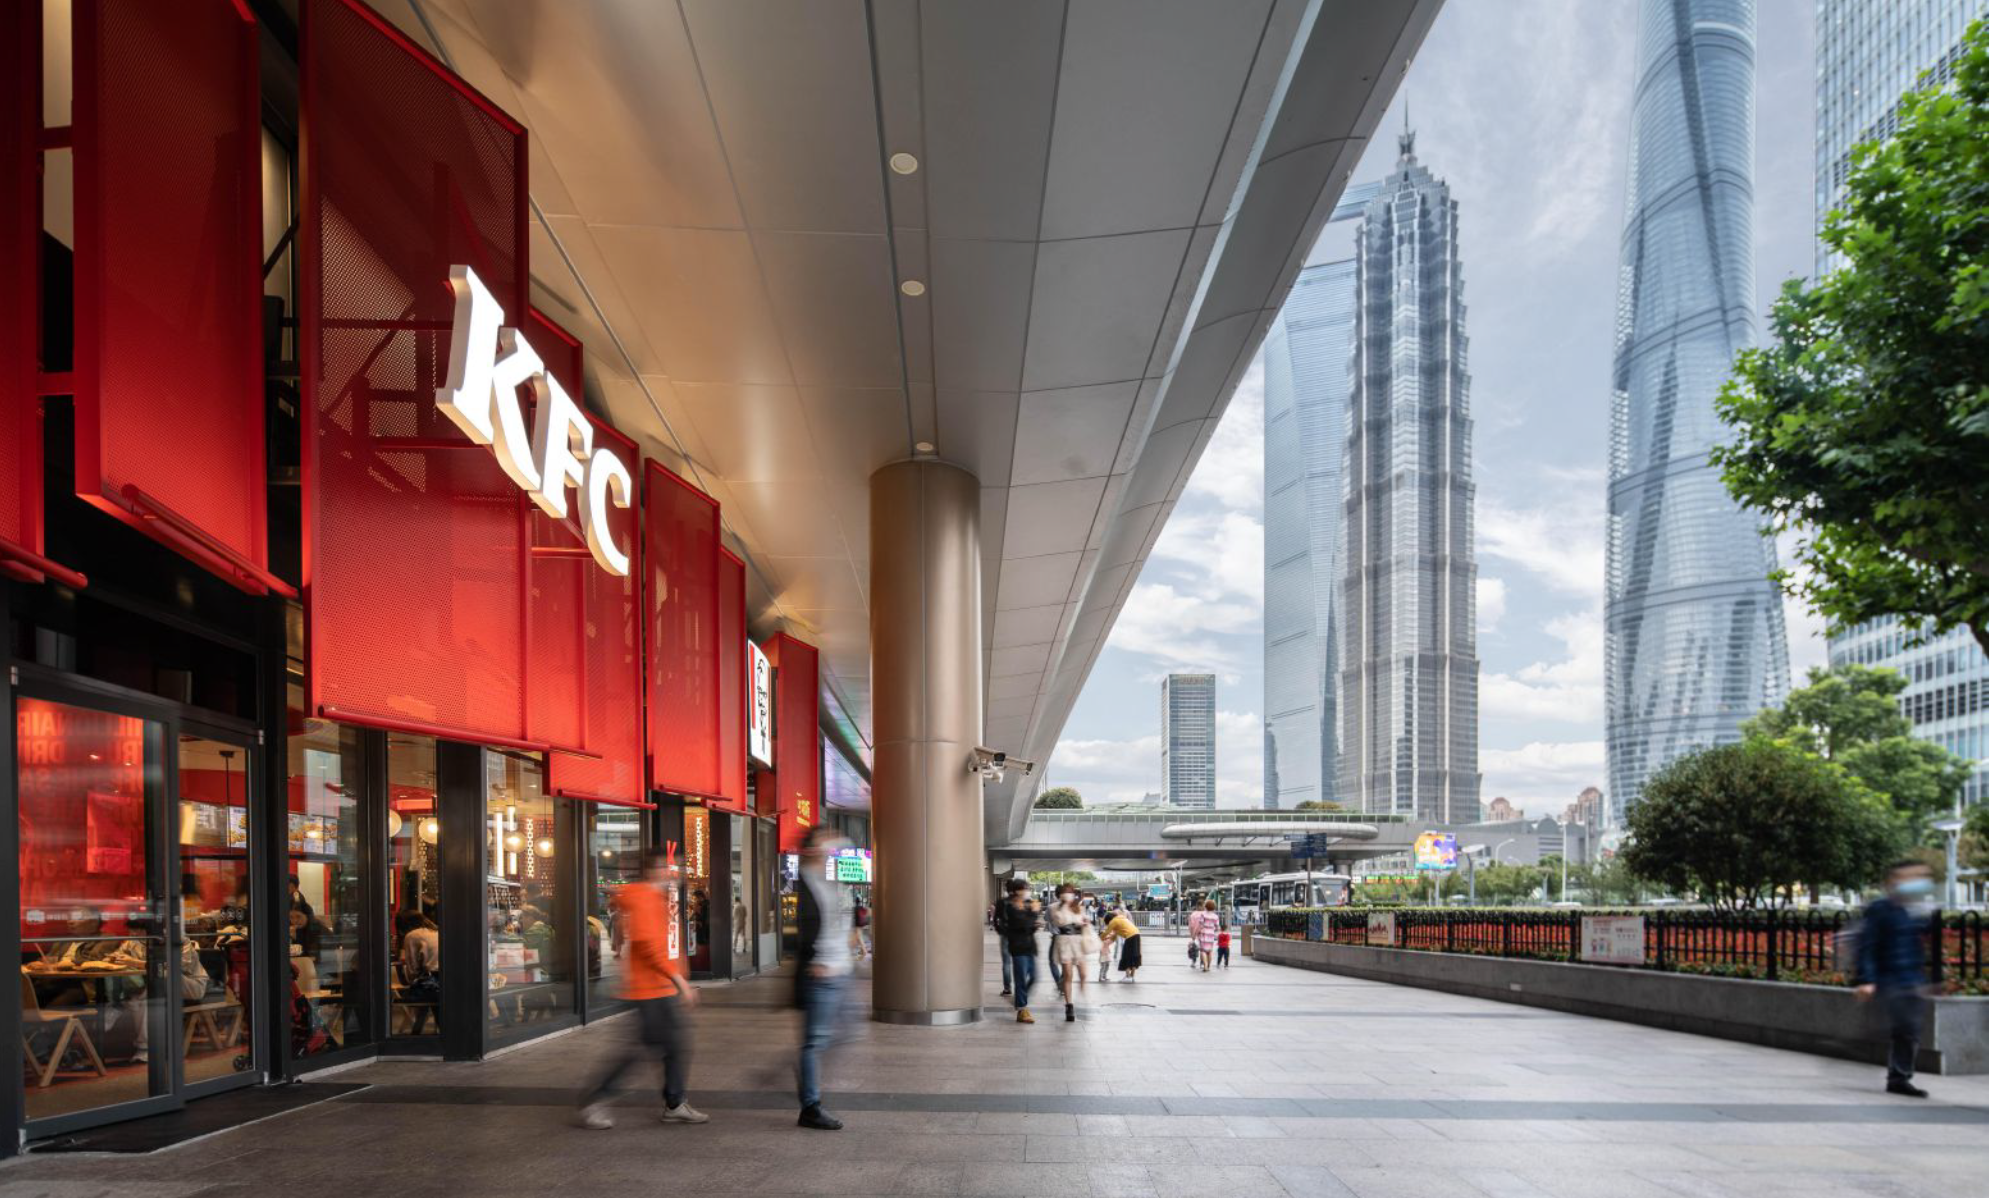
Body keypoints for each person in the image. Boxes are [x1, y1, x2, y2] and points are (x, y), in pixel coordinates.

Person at [576, 847, 707, 1128]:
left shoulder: (659, 898)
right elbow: (651, 949)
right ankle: (596, 1101)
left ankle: (675, 1103)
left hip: (662, 988)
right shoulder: (646, 898)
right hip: (650, 991)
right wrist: (681, 982)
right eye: (672, 867)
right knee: (642, 1050)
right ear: (656, 870)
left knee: (674, 1045)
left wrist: (679, 981)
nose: (677, 873)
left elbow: (665, 947)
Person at [1855, 859, 1937, 1098]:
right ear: (1893, 881)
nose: (1917, 882)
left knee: (1909, 1031)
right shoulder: (1880, 908)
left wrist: (1928, 980)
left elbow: (1919, 946)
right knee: (1906, 1027)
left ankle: (1898, 1076)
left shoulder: (1914, 910)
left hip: (1911, 978)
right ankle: (1898, 1077)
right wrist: (1867, 979)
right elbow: (1868, 945)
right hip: (1889, 978)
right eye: (1911, 877)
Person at [795, 827, 857, 1129]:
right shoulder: (805, 882)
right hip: (821, 974)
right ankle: (810, 1106)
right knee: (815, 1041)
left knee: (846, 1032)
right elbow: (800, 929)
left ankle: (803, 1069)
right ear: (811, 850)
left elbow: (845, 915)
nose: (833, 845)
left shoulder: (834, 880)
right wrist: (814, 961)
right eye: (825, 841)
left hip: (842, 970)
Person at [998, 879, 1040, 1023]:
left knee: (1034, 977)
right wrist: (1034, 914)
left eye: (1028, 888)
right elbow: (1022, 923)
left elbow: (1029, 927)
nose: (1027, 891)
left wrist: (1033, 923)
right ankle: (1022, 1009)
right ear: (1016, 891)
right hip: (1018, 947)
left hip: (1030, 946)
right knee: (1021, 978)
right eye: (1025, 888)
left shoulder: (1027, 905)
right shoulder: (1011, 906)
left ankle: (1020, 999)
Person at [1049, 884, 1093, 1022]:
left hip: (1078, 942)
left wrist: (1085, 922)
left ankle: (1081, 998)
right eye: (1065, 892)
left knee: (1083, 974)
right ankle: (1069, 1006)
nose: (1068, 894)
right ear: (1059, 895)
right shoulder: (1054, 907)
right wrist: (1064, 906)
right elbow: (1059, 921)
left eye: (1070, 892)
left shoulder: (1078, 907)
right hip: (1064, 943)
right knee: (1068, 975)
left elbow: (1083, 920)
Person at [1102, 906, 1143, 982]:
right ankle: (1131, 977)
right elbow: (1114, 935)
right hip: (1137, 934)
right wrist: (1109, 939)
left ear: (1108, 920)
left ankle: (1128, 977)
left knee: (1126, 956)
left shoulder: (1113, 921)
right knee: (1134, 956)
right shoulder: (1121, 919)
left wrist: (1100, 938)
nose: (1108, 925)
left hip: (1130, 936)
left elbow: (1107, 932)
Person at [1191, 900, 1219, 971]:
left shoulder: (1203, 915)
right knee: (1210, 951)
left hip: (1203, 934)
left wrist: (1195, 933)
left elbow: (1200, 926)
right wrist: (1213, 931)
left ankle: (1205, 966)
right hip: (1211, 934)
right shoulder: (1215, 916)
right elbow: (1217, 927)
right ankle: (1208, 966)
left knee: (1203, 951)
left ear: (1206, 906)